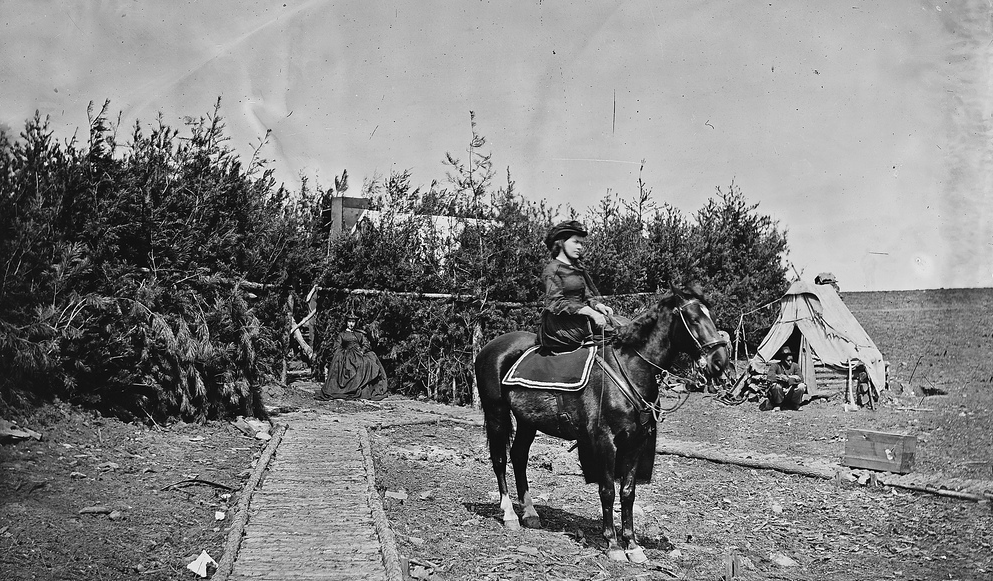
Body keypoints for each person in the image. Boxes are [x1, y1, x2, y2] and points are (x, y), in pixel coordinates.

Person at [537, 220, 615, 352]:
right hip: (560, 324)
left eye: (581, 243)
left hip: (581, 318)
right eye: (575, 242)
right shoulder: (552, 270)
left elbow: (586, 296)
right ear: (561, 243)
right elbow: (556, 302)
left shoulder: (576, 269)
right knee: (604, 337)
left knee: (618, 329)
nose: (580, 247)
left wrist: (598, 306)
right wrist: (592, 313)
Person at [317, 312, 388, 401]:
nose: (351, 324)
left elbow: (366, 344)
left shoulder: (359, 334)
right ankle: (350, 388)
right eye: (349, 321)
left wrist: (362, 351)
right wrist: (344, 354)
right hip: (347, 355)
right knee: (352, 365)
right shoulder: (342, 334)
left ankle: (365, 387)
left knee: (369, 362)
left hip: (359, 354)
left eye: (353, 322)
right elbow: (337, 347)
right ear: (346, 322)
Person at [761, 346, 806, 411]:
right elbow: (770, 376)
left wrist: (788, 378)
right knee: (775, 386)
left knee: (801, 386)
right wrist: (782, 377)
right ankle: (778, 404)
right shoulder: (776, 366)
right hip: (780, 391)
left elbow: (801, 378)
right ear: (782, 359)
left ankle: (795, 404)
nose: (790, 362)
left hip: (791, 391)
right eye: (788, 360)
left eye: (791, 360)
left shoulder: (795, 366)